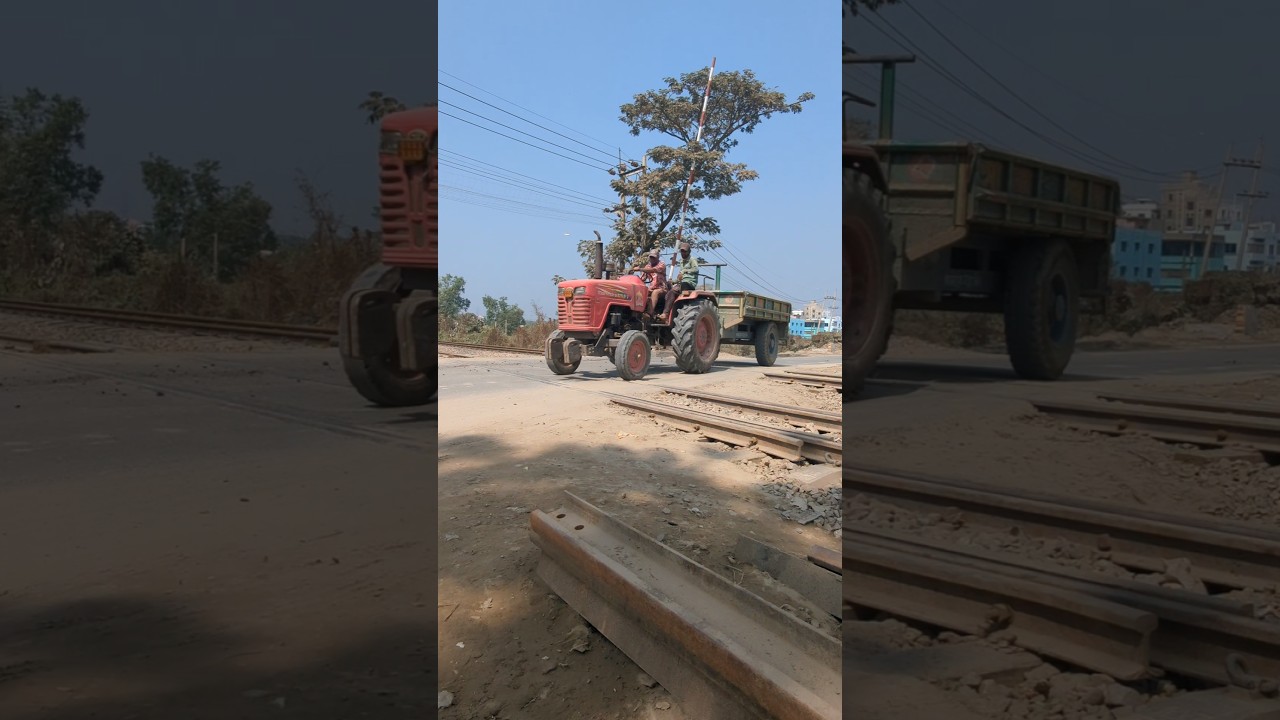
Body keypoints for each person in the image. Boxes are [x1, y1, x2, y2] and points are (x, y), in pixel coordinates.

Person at [659, 242, 698, 324]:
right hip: (682, 282)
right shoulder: (681, 262)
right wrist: (673, 281)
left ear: (689, 252)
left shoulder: (692, 259)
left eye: (685, 251)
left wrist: (685, 271)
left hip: (689, 283)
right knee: (667, 289)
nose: (683, 253)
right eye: (682, 251)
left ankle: (665, 314)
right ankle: (664, 313)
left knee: (674, 291)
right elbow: (680, 277)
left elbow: (696, 270)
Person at [632, 248, 668, 317]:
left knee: (655, 292)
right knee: (639, 291)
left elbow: (654, 270)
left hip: (662, 289)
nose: (652, 259)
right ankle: (636, 311)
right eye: (651, 257)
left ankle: (649, 313)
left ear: (657, 257)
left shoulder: (661, 265)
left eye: (654, 257)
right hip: (651, 288)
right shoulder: (647, 266)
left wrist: (640, 269)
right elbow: (642, 278)